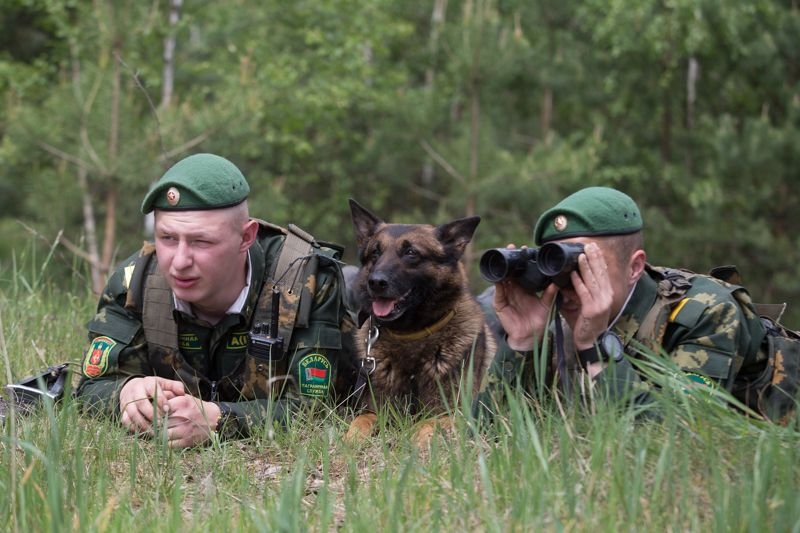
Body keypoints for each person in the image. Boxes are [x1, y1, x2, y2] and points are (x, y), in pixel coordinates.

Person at [76, 153, 354, 447]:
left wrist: (221, 418)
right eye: (167, 238)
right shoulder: (135, 283)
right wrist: (126, 392)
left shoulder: (307, 283)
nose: (179, 262)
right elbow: (89, 387)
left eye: (201, 241)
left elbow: (317, 409)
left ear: (246, 237)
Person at [477, 186, 799, 423]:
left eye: (585, 266)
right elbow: (485, 437)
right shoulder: (562, 326)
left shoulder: (707, 313)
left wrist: (595, 347)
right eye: (557, 266)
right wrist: (522, 343)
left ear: (634, 268)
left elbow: (675, 439)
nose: (569, 286)